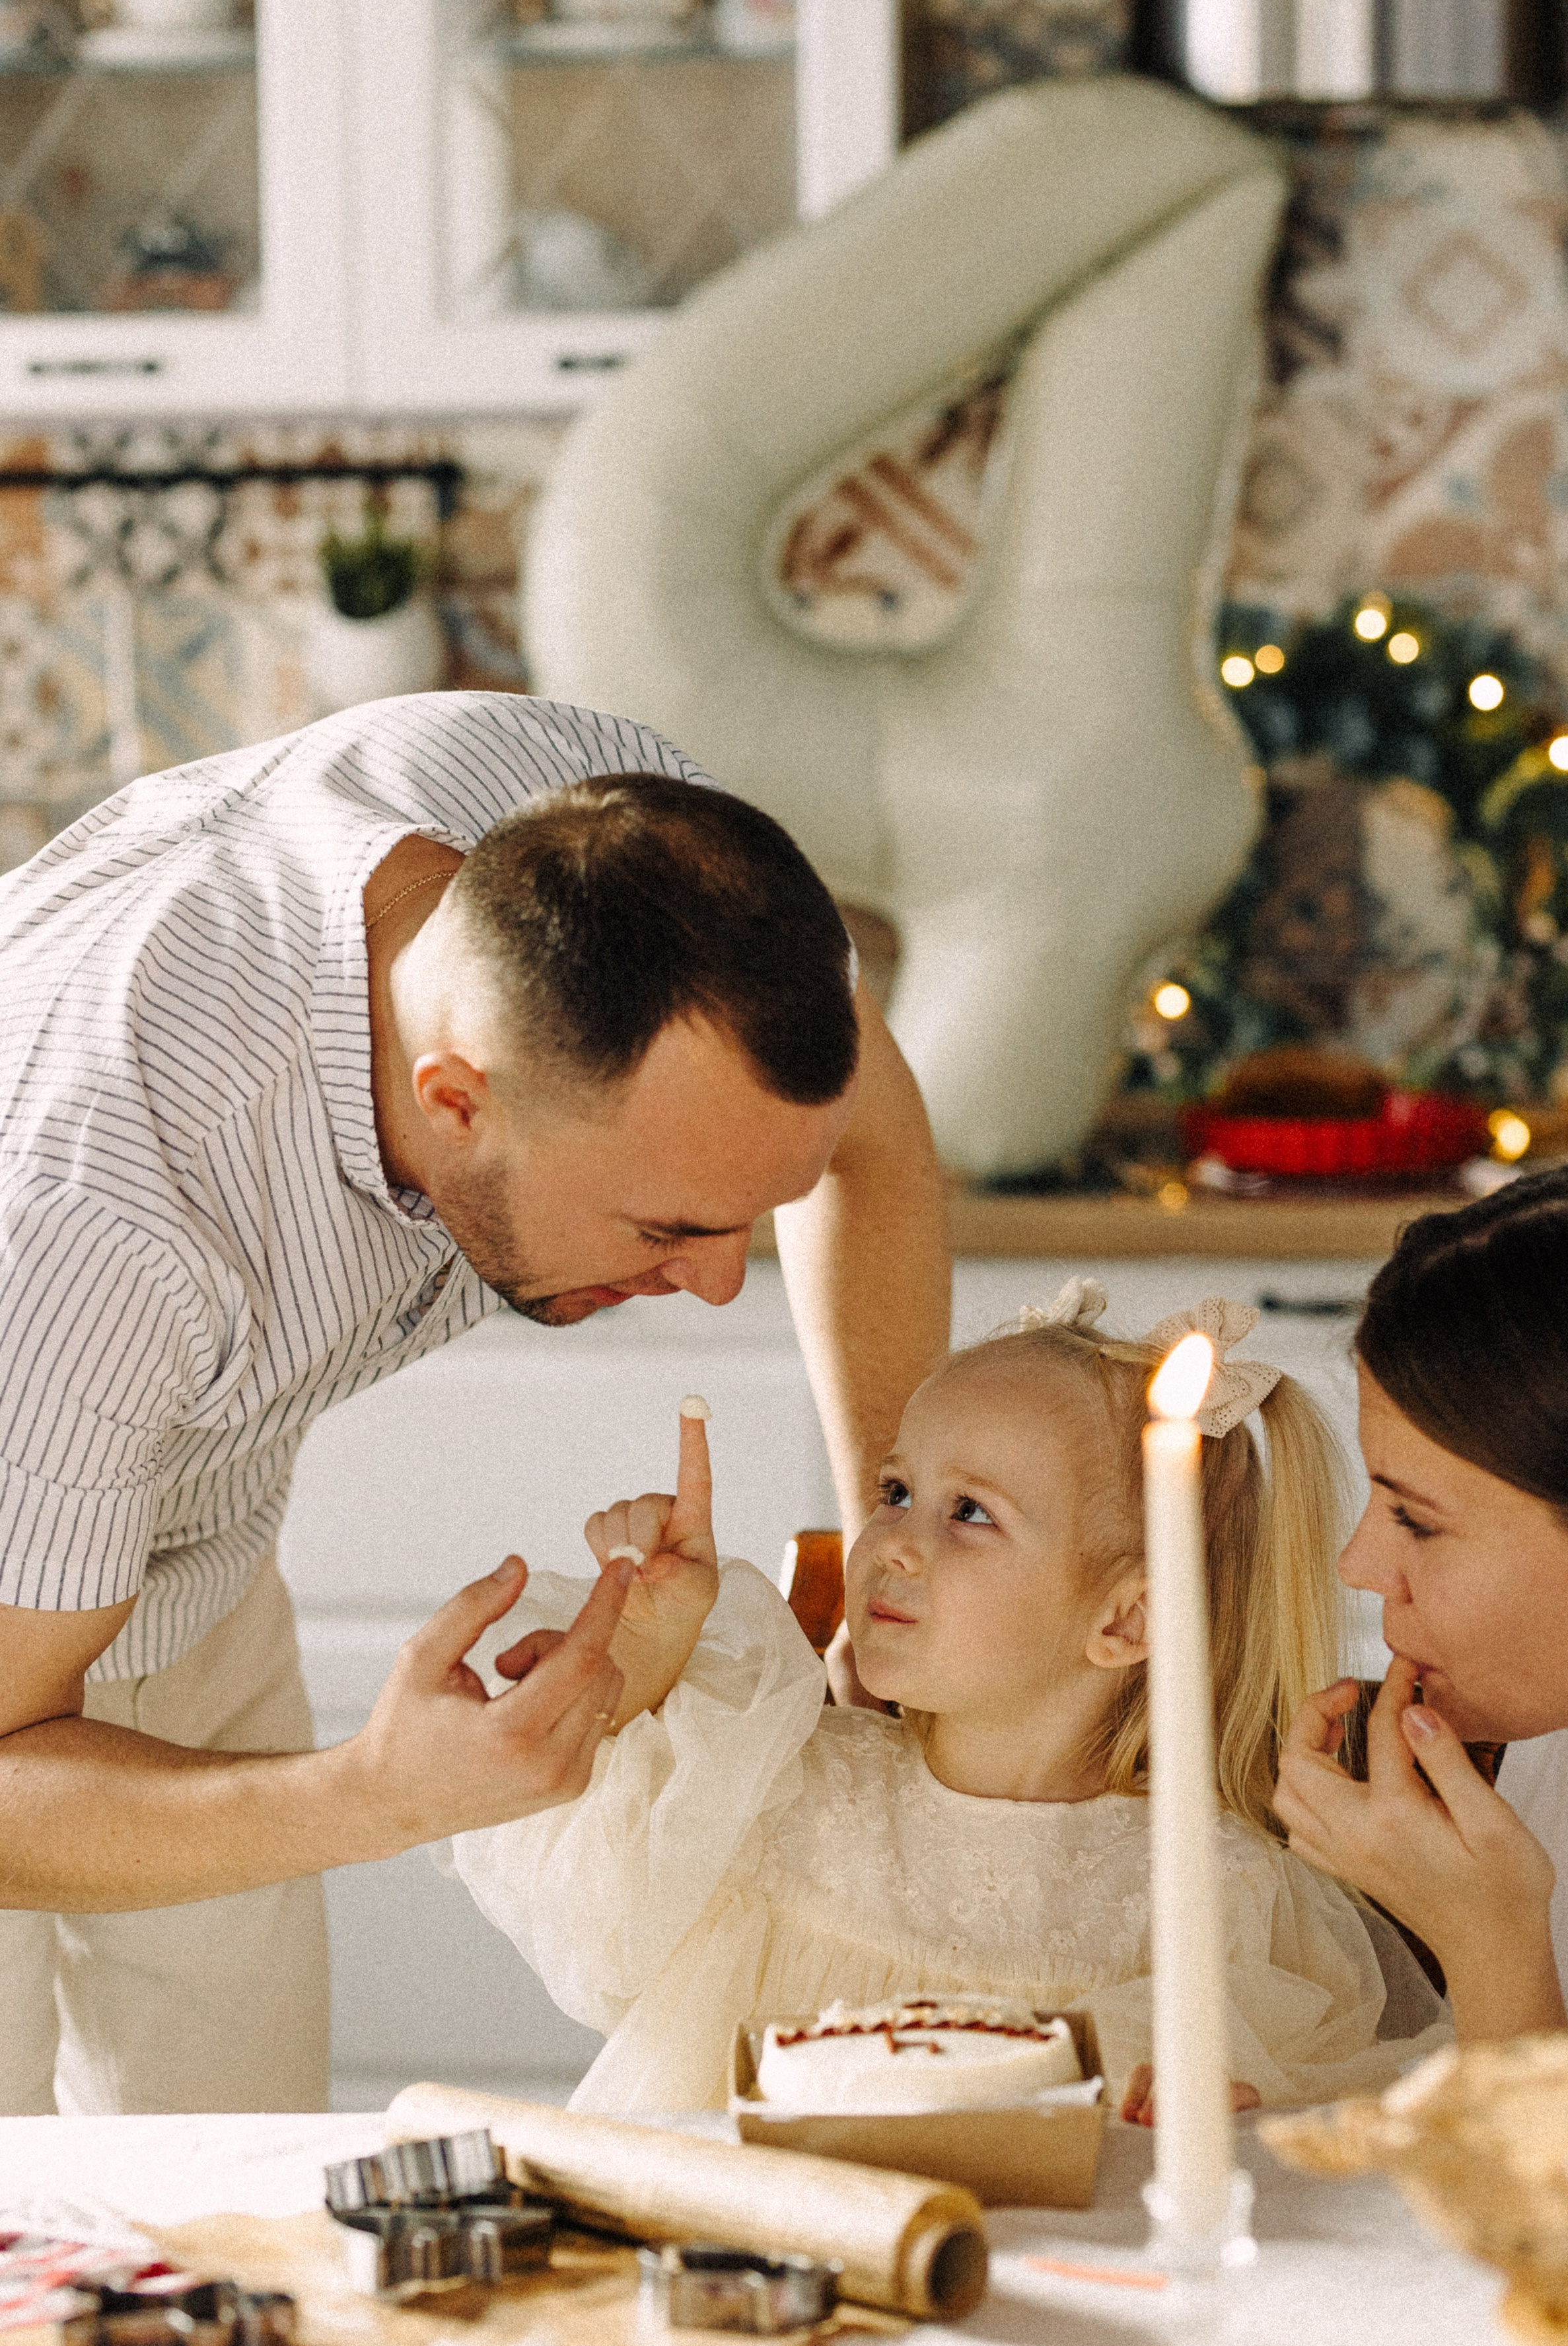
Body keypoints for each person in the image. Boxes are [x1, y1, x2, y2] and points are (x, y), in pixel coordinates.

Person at [0, 689, 948, 2117]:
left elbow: (864, 1129)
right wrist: (377, 1792)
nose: (715, 1285)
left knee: (240, 2165)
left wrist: (891, 1527)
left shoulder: (622, 867)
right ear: (455, 1101)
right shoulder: (108, 1224)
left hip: (186, 1545)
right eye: (666, 1227)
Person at [452, 1283, 1448, 2114]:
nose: (892, 1543)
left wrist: (1229, 2109)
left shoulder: (1215, 1896)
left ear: (1128, 1620)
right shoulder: (777, 1781)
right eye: (895, 1492)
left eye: (970, 1512)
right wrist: (646, 1662)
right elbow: (596, 1930)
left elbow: (1321, 2127)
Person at [1275, 1155, 1568, 2045]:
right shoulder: (1562, 1721)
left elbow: (1557, 2142)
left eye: (1415, 1521)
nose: (1357, 1565)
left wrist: (1488, 1943)